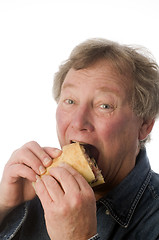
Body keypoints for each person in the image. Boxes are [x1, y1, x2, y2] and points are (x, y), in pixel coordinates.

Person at [0, 38, 159, 240]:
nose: (78, 122)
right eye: (70, 101)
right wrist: (5, 206)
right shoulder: (30, 194)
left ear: (145, 125)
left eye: (104, 105)